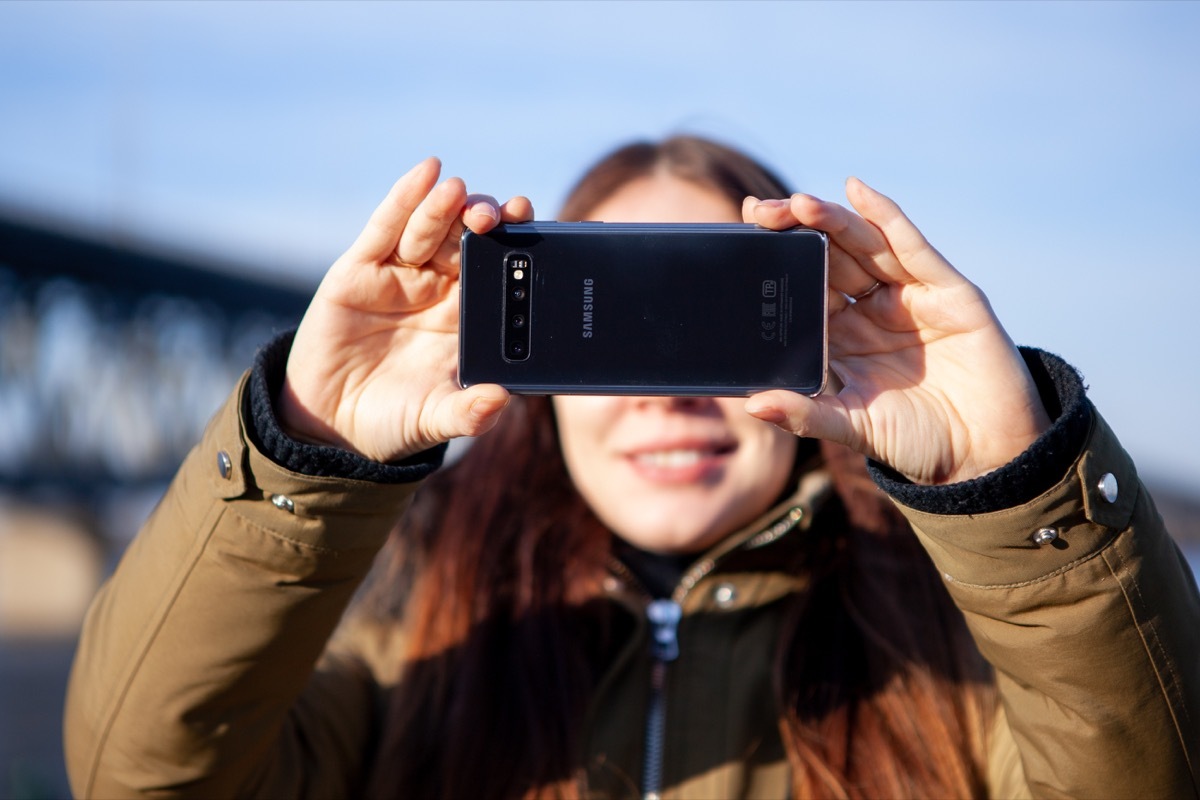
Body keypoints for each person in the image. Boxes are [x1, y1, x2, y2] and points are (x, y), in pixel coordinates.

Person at [64, 136, 1199, 799]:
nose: (667, 389)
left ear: (813, 352)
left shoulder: (965, 664)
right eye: (610, 335)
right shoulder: (407, 645)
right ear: (542, 396)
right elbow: (144, 772)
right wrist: (306, 442)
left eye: (704, 327)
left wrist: (1011, 479)